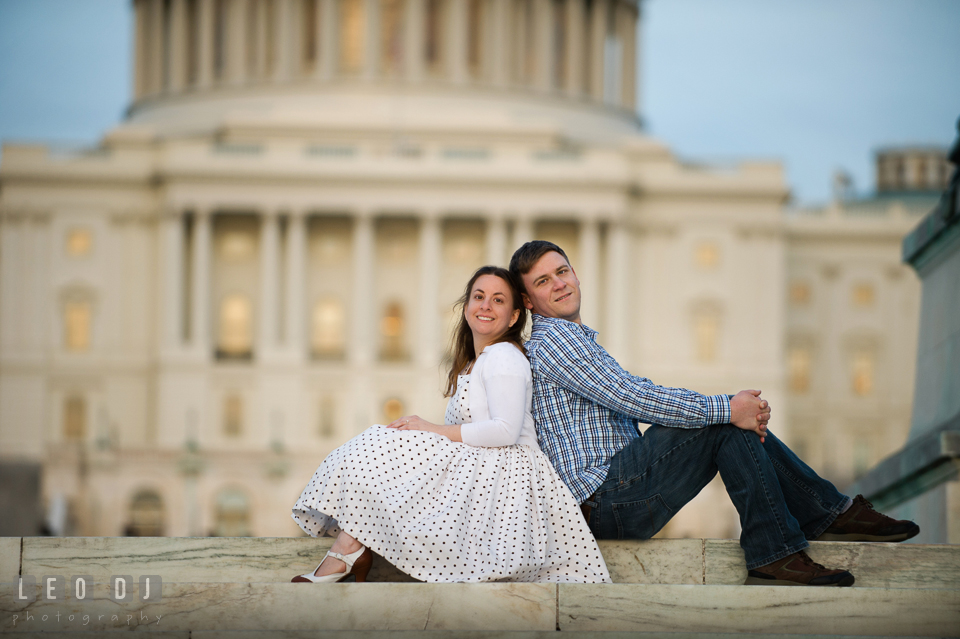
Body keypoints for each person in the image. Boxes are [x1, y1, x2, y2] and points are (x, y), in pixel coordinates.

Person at [508, 240, 919, 587]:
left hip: (614, 495)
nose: (559, 284)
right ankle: (813, 526)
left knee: (729, 424)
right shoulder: (556, 342)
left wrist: (731, 411)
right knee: (724, 421)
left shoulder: (574, 341)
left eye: (562, 271)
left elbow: (641, 394)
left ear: (576, 274)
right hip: (603, 499)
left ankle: (806, 532)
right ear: (528, 301)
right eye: (543, 281)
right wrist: (729, 407)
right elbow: (634, 398)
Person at [290, 265, 611, 584]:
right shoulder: (476, 362)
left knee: (380, 442)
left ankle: (347, 552)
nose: (486, 305)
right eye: (479, 296)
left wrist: (433, 431)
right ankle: (350, 547)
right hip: (488, 469)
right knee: (390, 441)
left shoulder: (504, 357)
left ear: (514, 316)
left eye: (498, 300)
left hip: (508, 477)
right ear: (467, 307)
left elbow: (505, 430)